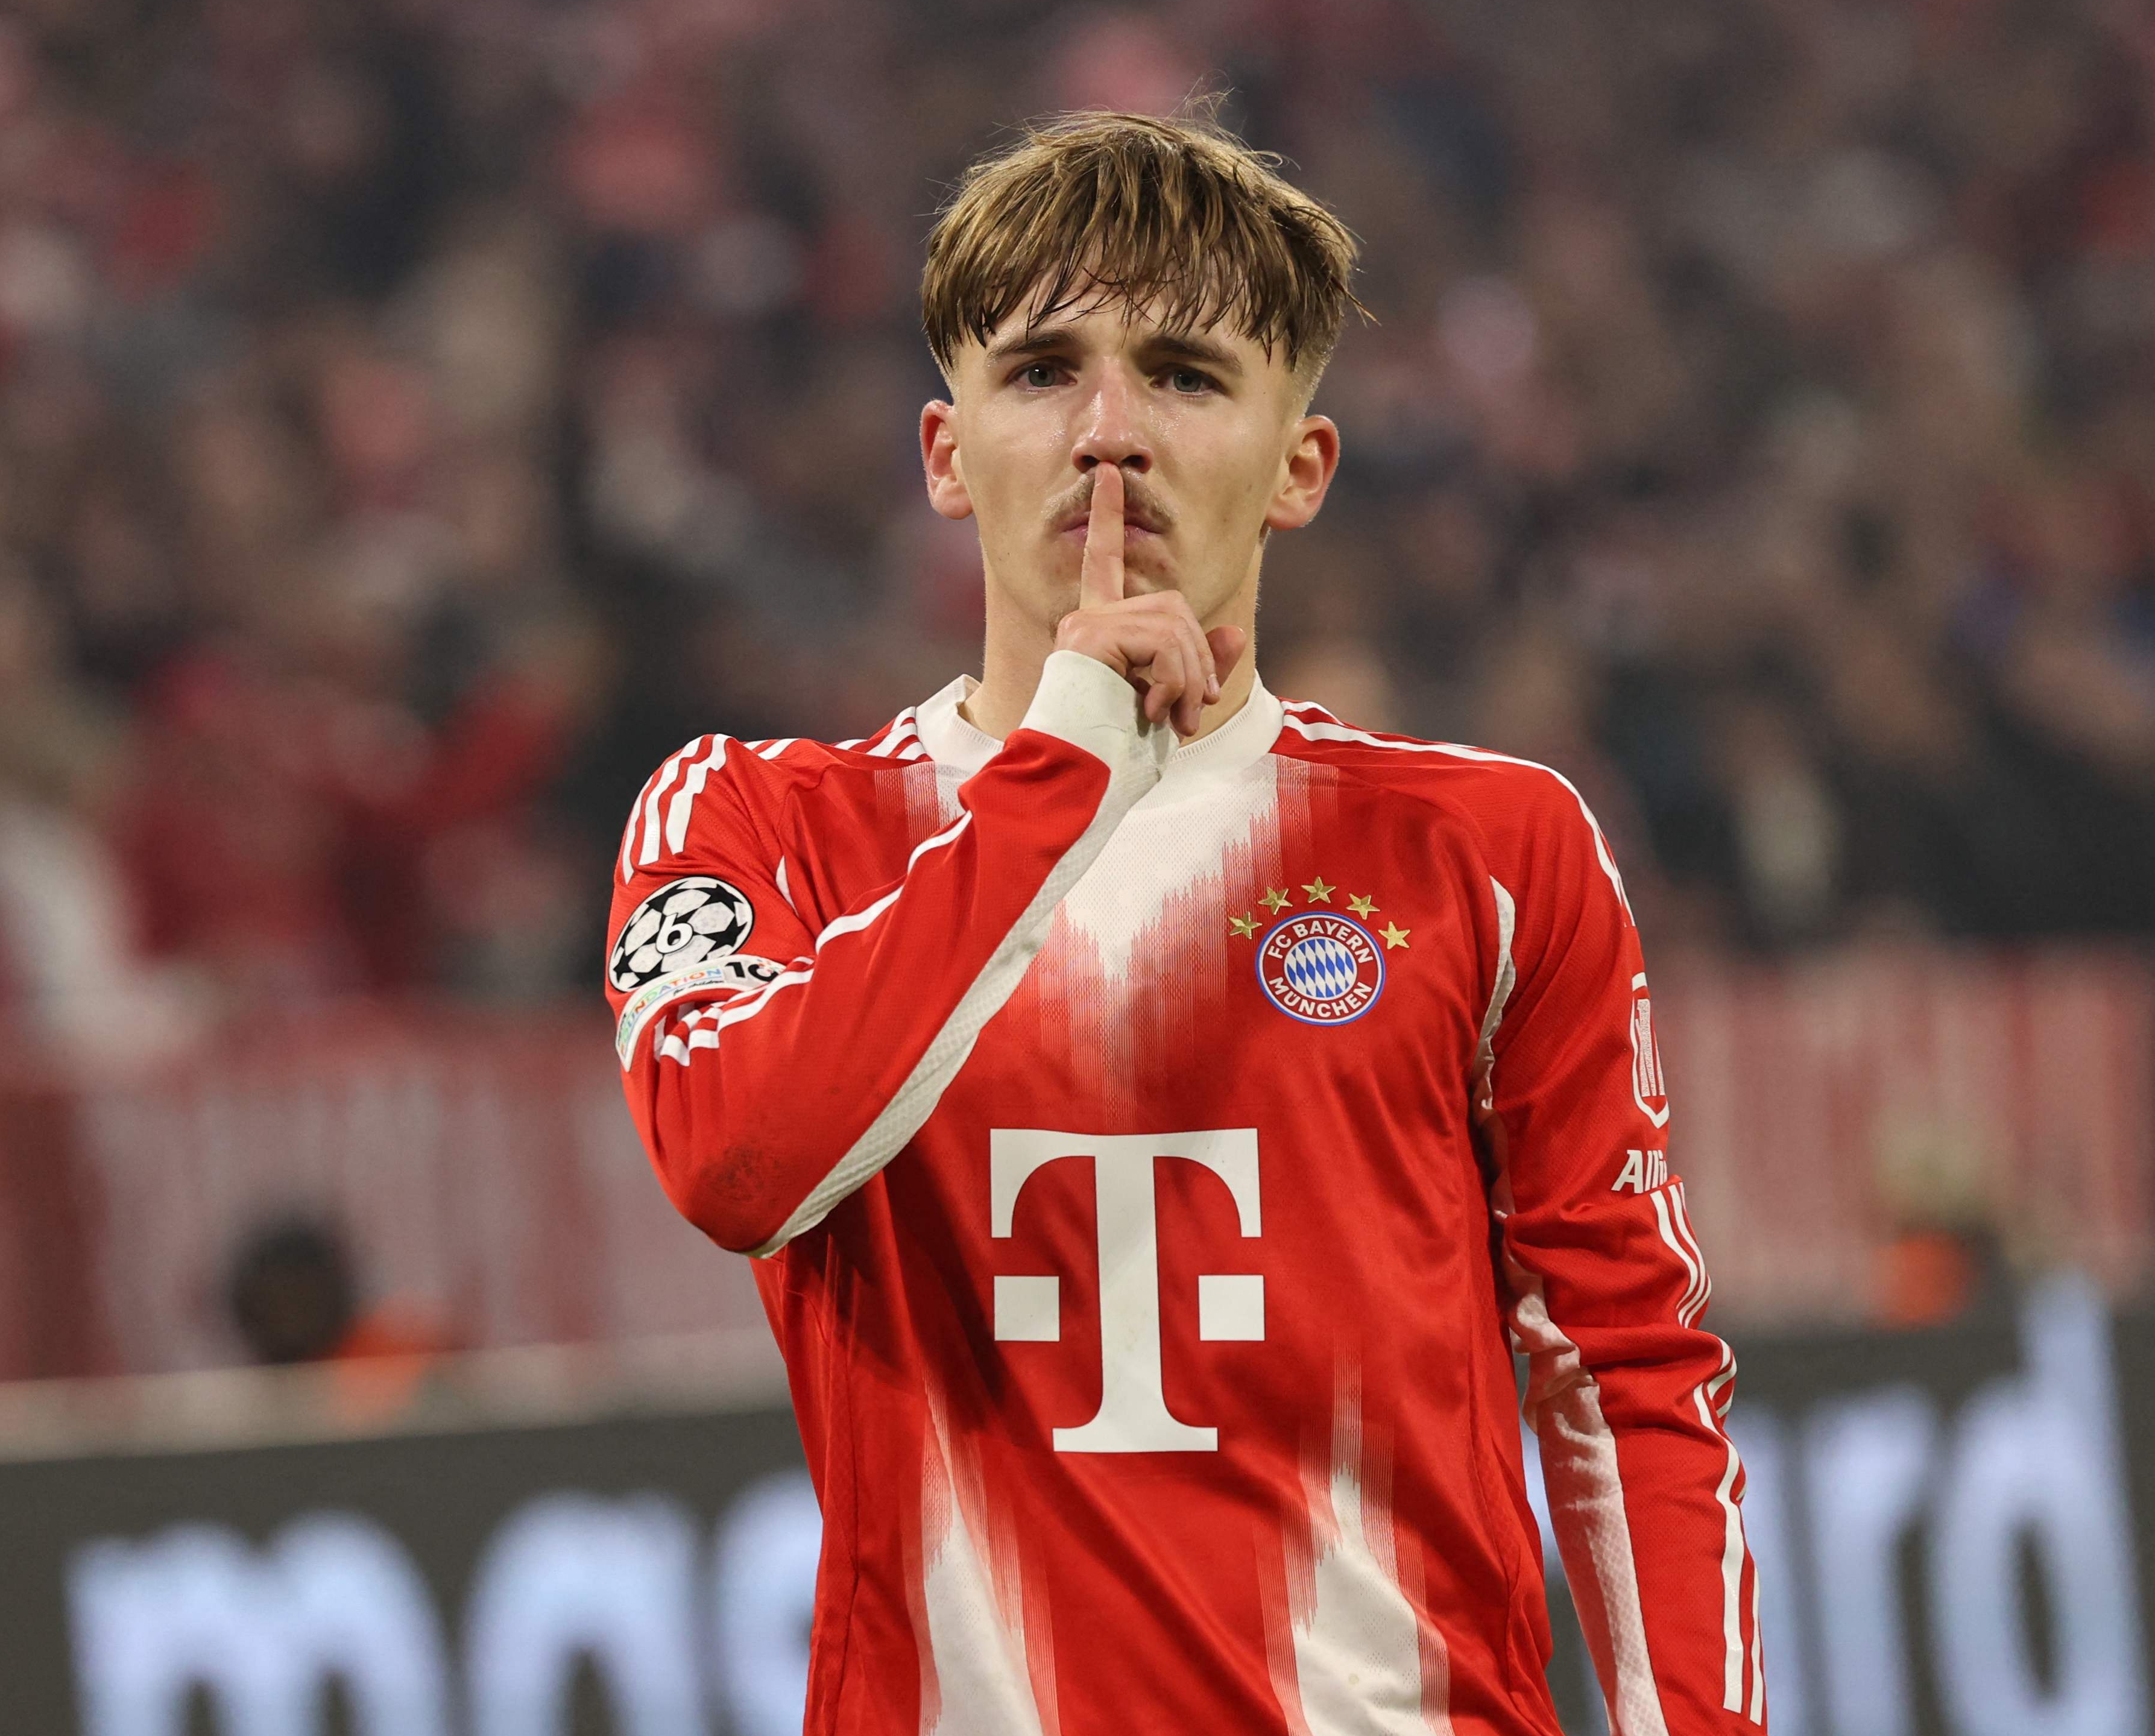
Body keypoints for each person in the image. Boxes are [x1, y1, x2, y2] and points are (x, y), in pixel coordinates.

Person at [608, 108, 1761, 1734]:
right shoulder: (757, 821)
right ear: (945, 454)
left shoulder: (1490, 850)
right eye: (1039, 371)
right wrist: (1059, 767)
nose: (1108, 432)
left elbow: (1624, 1375)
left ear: (1301, 469)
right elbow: (736, 1158)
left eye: (1186, 375)